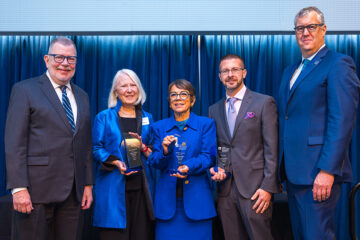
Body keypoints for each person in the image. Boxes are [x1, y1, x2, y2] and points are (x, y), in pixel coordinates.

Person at [278, 6, 360, 239]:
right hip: (294, 173)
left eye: (311, 27)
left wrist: (327, 170)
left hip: (318, 171)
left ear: (323, 30)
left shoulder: (338, 64)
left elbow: (342, 121)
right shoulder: (290, 70)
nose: (305, 32)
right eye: (300, 28)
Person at [5, 37, 93, 240]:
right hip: (35, 192)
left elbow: (85, 144)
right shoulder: (24, 90)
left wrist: (88, 184)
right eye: (59, 57)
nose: (65, 63)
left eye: (70, 59)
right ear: (46, 59)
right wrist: (18, 188)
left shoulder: (82, 96)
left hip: (73, 194)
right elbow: (14, 142)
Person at [209, 54, 280, 240]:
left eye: (235, 70)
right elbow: (220, 147)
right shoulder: (213, 109)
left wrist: (267, 187)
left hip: (256, 190)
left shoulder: (263, 102)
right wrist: (218, 167)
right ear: (219, 76)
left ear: (244, 73)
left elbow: (272, 148)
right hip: (225, 190)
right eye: (225, 71)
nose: (230, 74)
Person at [148, 79, 217, 240]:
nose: (178, 98)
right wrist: (165, 151)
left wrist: (188, 166)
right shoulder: (158, 127)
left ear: (192, 100)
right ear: (169, 101)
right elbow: (155, 162)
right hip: (167, 205)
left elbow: (209, 157)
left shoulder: (206, 124)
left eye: (183, 94)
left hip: (198, 203)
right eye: (173, 95)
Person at [92, 69, 155, 240]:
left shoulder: (148, 118)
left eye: (133, 85)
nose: (129, 90)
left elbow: (152, 151)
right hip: (113, 192)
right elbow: (95, 148)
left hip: (142, 191)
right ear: (116, 91)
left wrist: (143, 147)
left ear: (139, 89)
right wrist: (116, 162)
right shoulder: (103, 117)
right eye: (124, 86)